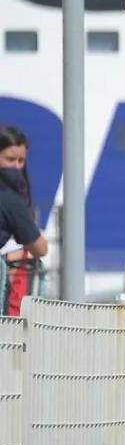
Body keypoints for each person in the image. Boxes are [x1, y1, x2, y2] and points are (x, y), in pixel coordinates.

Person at [0, 126, 42, 315]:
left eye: (21, 160)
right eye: (10, 159)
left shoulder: (18, 195)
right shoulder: (11, 199)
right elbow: (38, 246)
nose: (16, 166)